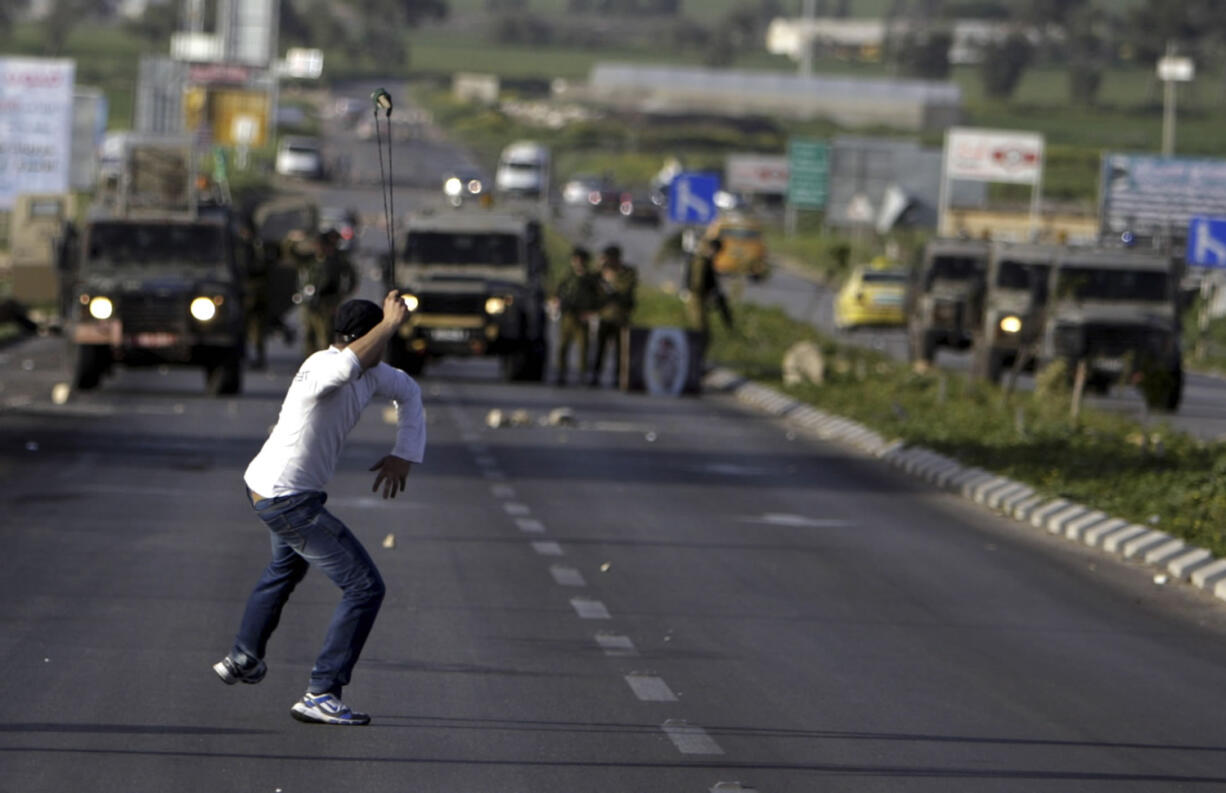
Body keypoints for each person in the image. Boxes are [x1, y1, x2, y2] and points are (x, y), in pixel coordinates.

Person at [213, 292, 425, 726]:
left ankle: (243, 657)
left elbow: (409, 391)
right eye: (378, 339)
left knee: (285, 570)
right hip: (286, 498)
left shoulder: (371, 373)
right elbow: (348, 363)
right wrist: (389, 324)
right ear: (365, 339)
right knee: (365, 587)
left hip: (277, 489)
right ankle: (322, 692)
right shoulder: (325, 367)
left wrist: (404, 452)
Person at [298, 230, 358, 359]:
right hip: (311, 302)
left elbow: (351, 277)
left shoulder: (335, 261)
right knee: (309, 334)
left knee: (326, 334)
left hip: (328, 302)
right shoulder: (312, 260)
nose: (318, 248)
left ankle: (327, 362)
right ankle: (311, 362)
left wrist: (341, 296)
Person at [550, 246, 601, 386]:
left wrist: (591, 312)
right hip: (568, 315)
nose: (578, 262)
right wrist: (556, 302)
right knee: (563, 346)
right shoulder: (568, 276)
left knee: (583, 346)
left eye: (580, 259)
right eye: (575, 259)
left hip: (582, 316)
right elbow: (557, 292)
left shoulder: (590, 278)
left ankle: (583, 374)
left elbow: (597, 298)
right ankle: (561, 373)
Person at [589, 244, 638, 387]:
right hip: (604, 317)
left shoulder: (627, 272)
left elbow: (625, 291)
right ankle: (595, 375)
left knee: (620, 350)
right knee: (600, 348)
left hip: (620, 317)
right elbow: (591, 284)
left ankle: (618, 377)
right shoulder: (600, 273)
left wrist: (611, 283)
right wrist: (600, 269)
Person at [684, 237, 734, 338]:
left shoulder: (705, 261)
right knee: (700, 330)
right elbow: (697, 283)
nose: (716, 255)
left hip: (700, 296)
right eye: (717, 251)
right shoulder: (702, 261)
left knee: (703, 329)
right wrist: (709, 293)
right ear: (713, 249)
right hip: (697, 298)